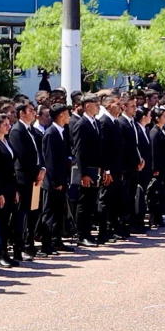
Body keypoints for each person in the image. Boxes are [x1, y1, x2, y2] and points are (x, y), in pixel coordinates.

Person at [8, 99, 45, 259]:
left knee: (33, 212)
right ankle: (19, 247)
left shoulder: (33, 131)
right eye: (30, 110)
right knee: (20, 215)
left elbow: (39, 153)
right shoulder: (17, 131)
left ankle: (29, 244)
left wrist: (42, 169)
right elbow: (21, 155)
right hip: (24, 178)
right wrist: (36, 171)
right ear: (21, 113)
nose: (33, 112)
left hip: (35, 178)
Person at [0, 113, 20, 267]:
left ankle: (5, 253)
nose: (8, 126)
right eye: (5, 124)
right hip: (1, 189)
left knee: (6, 222)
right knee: (0, 222)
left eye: (9, 124)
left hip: (10, 187)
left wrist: (15, 190)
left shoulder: (6, 141)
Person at [70, 93, 102, 247]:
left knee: (90, 202)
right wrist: (83, 174)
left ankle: (88, 232)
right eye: (95, 103)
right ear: (87, 105)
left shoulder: (94, 123)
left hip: (95, 168)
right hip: (86, 169)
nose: (98, 105)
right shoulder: (81, 124)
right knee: (84, 202)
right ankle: (82, 234)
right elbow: (79, 151)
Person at [41, 104, 72, 254]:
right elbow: (50, 160)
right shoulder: (50, 133)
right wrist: (56, 182)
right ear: (60, 115)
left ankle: (57, 240)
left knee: (59, 212)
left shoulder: (63, 131)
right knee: (50, 213)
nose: (69, 116)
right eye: (67, 113)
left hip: (62, 179)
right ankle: (46, 243)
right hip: (53, 182)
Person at [97, 95, 124, 242]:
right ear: (108, 106)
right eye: (117, 104)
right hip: (108, 169)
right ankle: (103, 232)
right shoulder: (104, 122)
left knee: (113, 200)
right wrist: (106, 170)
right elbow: (104, 149)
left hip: (116, 168)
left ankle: (111, 228)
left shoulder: (114, 121)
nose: (120, 106)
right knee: (105, 200)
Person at [118, 95, 145, 236]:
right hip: (126, 167)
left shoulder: (132, 122)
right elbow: (123, 148)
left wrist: (140, 160)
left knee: (132, 195)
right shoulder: (121, 123)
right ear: (124, 107)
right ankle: (124, 223)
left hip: (135, 165)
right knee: (125, 197)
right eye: (132, 106)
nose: (135, 109)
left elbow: (135, 145)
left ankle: (133, 222)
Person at [148, 107, 165, 228]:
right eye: (164, 116)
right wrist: (154, 168)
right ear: (157, 119)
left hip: (164, 166)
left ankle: (159, 217)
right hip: (158, 167)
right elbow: (153, 151)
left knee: (162, 192)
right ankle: (154, 218)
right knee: (156, 193)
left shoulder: (164, 130)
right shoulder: (154, 132)